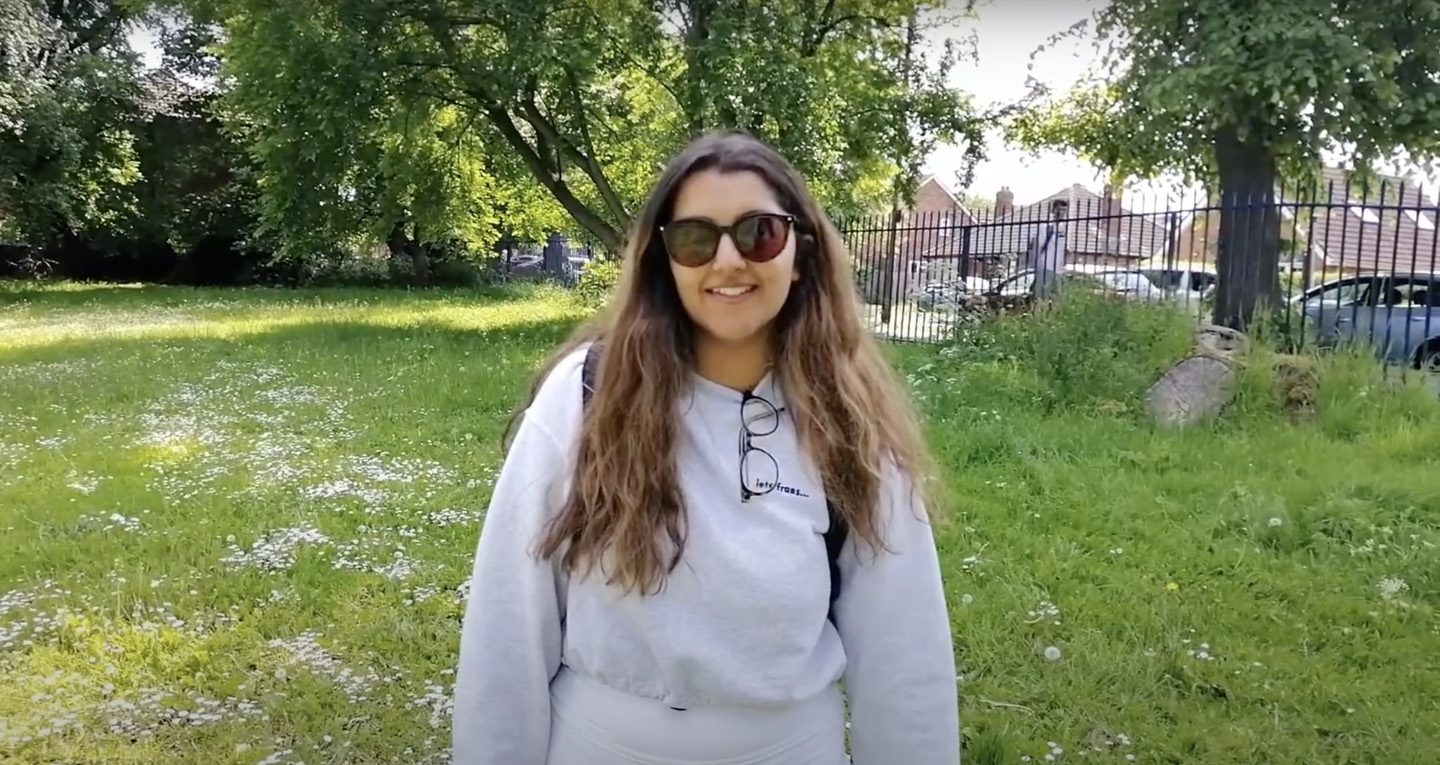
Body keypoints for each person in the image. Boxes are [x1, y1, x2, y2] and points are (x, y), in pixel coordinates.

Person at [452, 132, 959, 765]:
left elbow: (904, 657)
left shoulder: (848, 418)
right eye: (695, 238)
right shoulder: (587, 395)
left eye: (759, 233)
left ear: (799, 253)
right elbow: (510, 617)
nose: (727, 261)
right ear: (665, 260)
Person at [1025, 198, 1069, 299]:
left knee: (1059, 298)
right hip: (1046, 266)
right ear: (1053, 211)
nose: (1062, 213)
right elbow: (1038, 245)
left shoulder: (1065, 227)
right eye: (1059, 210)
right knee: (1042, 296)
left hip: (1059, 269)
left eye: (1064, 210)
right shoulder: (1045, 226)